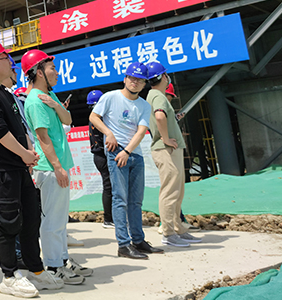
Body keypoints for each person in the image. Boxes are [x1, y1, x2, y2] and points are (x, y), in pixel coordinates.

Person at [0, 39, 60, 298]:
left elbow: (18, 127)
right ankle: (9, 276)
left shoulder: (4, 92)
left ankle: (35, 269)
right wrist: (24, 154)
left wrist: (27, 152)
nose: (12, 64)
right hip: (0, 169)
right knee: (8, 223)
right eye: (6, 59)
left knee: (30, 219)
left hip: (18, 166)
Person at [21, 50, 92, 286]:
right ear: (39, 72)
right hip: (50, 167)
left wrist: (55, 104)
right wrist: (58, 167)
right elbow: (43, 138)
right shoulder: (35, 101)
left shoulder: (47, 96)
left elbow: (68, 119)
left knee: (60, 220)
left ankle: (62, 260)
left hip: (57, 165)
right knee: (52, 220)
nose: (57, 72)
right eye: (52, 68)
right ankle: (53, 265)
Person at [89, 62, 163, 260]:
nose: (135, 82)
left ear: (145, 84)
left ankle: (138, 240)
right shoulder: (110, 97)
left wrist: (128, 152)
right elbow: (94, 117)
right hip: (116, 152)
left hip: (134, 154)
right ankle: (123, 244)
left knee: (136, 201)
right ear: (125, 78)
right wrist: (108, 133)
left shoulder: (144, 105)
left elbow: (141, 131)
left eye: (140, 80)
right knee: (120, 199)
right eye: (132, 78)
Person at [145, 62, 201, 248]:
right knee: (170, 191)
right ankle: (169, 233)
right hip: (165, 149)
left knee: (177, 191)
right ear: (163, 77)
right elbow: (160, 116)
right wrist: (166, 138)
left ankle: (178, 229)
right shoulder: (157, 95)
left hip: (167, 149)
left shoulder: (154, 95)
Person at [86, 90, 113, 228]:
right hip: (102, 155)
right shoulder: (99, 119)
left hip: (99, 156)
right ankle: (109, 219)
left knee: (109, 186)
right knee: (109, 186)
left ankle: (110, 218)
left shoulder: (94, 118)